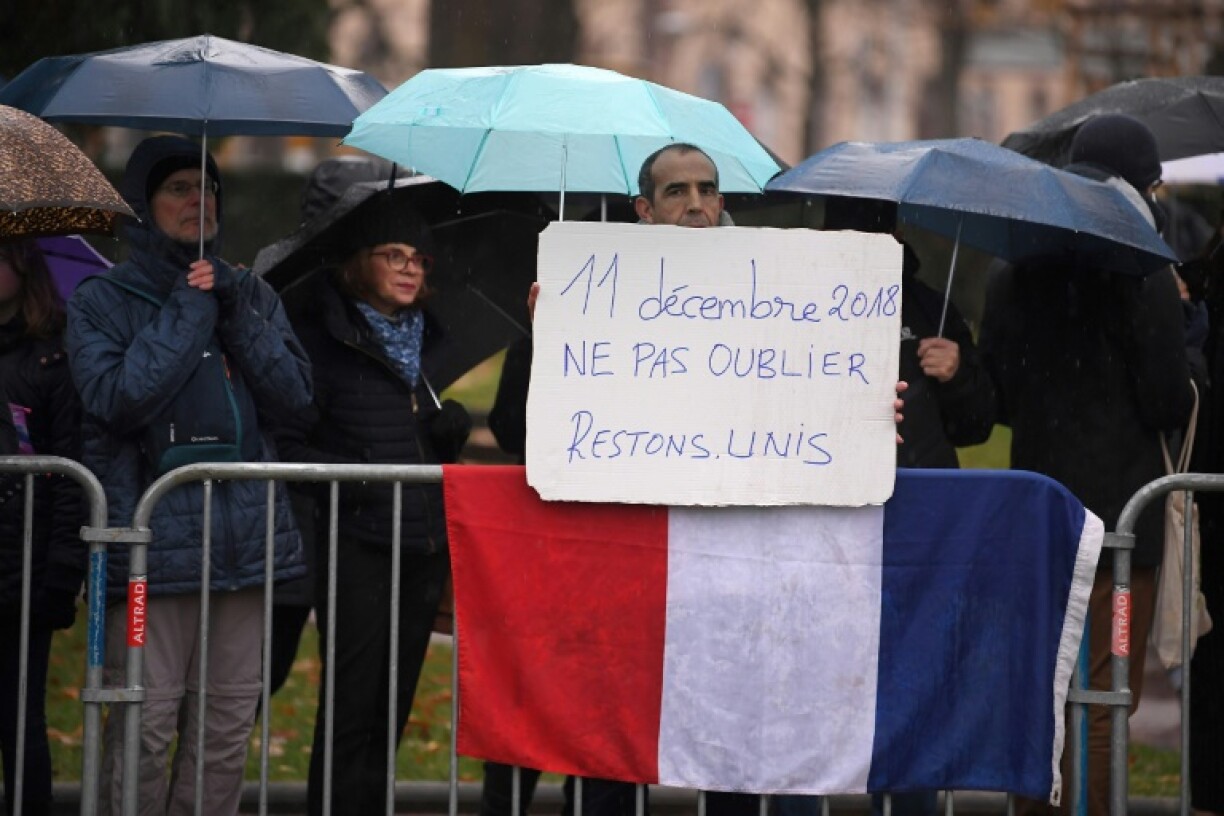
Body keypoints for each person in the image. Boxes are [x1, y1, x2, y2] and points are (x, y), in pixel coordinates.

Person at [497, 144, 907, 816]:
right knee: (610, 729)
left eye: (707, 190)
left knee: (743, 727)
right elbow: (518, 429)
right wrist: (548, 340)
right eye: (677, 192)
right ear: (644, 210)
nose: (695, 205)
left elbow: (811, 405)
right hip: (631, 559)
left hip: (738, 559)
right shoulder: (591, 294)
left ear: (723, 203)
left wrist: (865, 410)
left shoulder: (777, 292)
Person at [65, 135, 312, 816]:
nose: (197, 199)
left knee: (225, 734)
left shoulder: (249, 293)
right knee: (142, 728)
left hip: (243, 556)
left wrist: (233, 306)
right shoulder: (101, 301)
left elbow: (296, 399)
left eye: (208, 188)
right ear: (143, 205)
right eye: (177, 188)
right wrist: (189, 308)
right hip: (151, 560)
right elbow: (117, 398)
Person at [979, 114, 1197, 816]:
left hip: (1038, 516)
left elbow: (1002, 396)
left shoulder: (1014, 270)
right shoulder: (1142, 272)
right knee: (1103, 699)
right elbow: (1167, 399)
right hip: (1118, 529)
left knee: (1040, 694)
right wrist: (1190, 349)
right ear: (1139, 185)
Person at [272, 195, 471, 816]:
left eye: (418, 259)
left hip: (422, 541)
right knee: (353, 700)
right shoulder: (323, 337)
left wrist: (443, 433)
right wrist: (357, 476)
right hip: (357, 540)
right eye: (394, 255)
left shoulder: (424, 342)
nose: (411, 269)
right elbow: (292, 444)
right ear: (362, 262)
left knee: (395, 700)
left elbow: (404, 427)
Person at [0, 239, 84, 816]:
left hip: (21, 564)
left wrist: (61, 571)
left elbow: (72, 470)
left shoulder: (54, 358)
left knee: (19, 715)